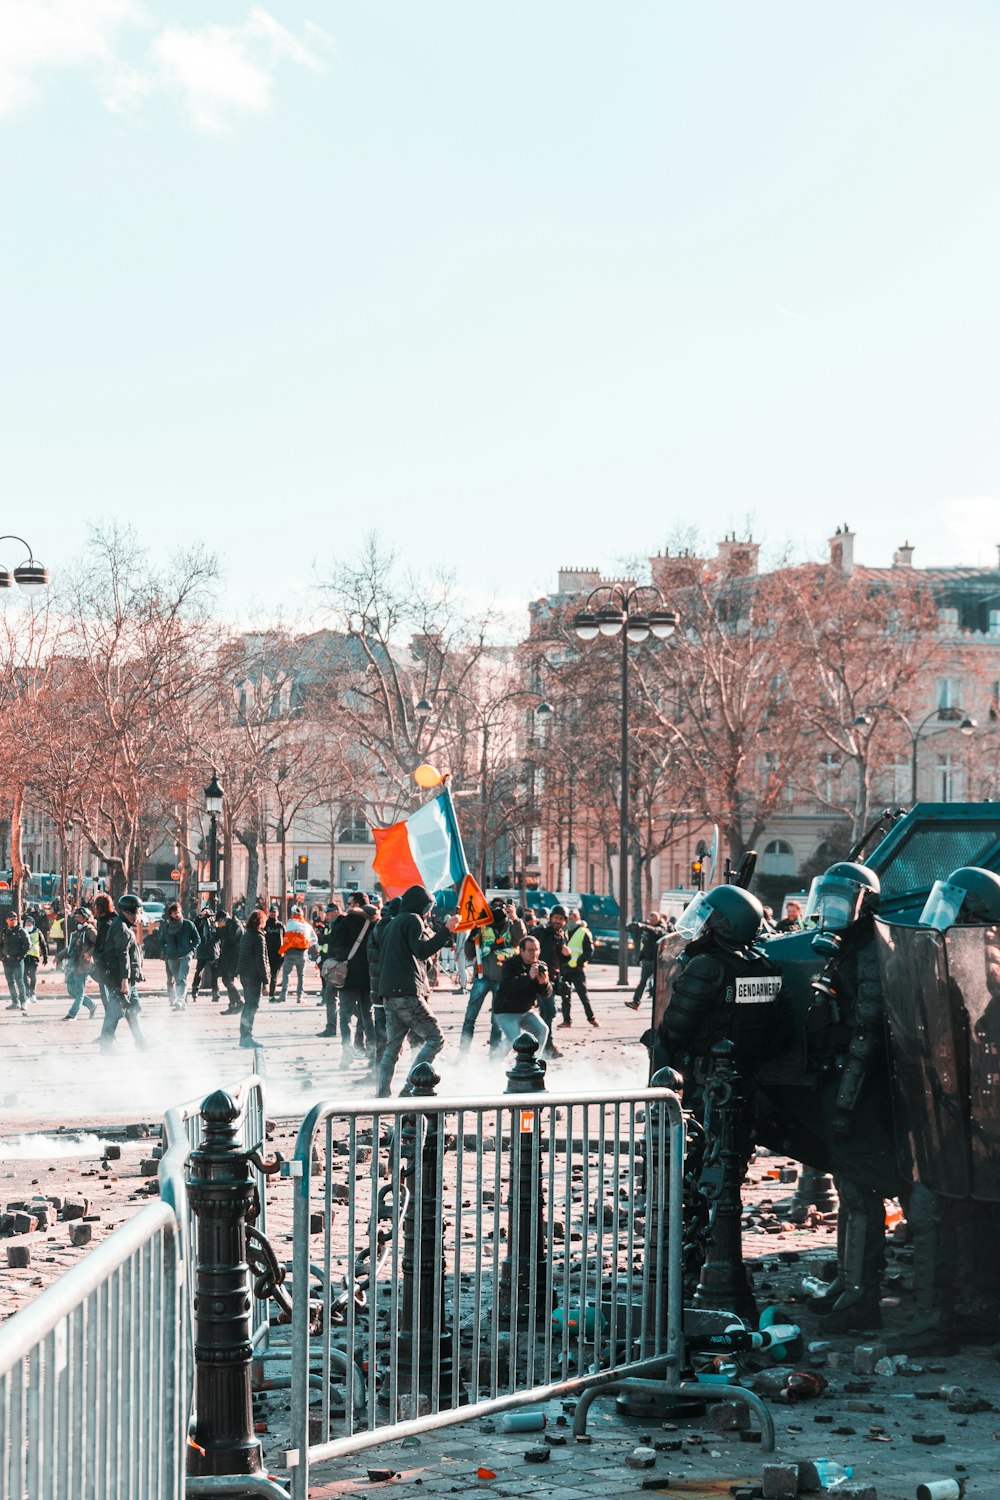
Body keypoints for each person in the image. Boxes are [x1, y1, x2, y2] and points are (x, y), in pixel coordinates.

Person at [376, 885, 458, 1096]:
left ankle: (382, 1095)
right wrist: (446, 930)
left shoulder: (393, 923)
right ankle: (410, 1088)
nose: (428, 912)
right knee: (436, 1038)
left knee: (392, 1049)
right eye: (428, 907)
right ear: (421, 906)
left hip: (389, 992)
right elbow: (422, 951)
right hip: (406, 992)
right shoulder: (413, 920)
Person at [461, 901, 524, 1052]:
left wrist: (515, 918)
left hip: (503, 979)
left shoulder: (511, 925)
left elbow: (521, 939)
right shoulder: (482, 927)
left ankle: (493, 1056)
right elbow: (469, 954)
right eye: (493, 906)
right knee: (470, 1017)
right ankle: (463, 1053)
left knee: (497, 1021)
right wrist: (471, 937)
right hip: (482, 977)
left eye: (500, 906)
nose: (497, 909)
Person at [94, 893, 148, 1052]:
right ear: (129, 911)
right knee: (115, 1012)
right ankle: (106, 1045)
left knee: (134, 1008)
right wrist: (124, 982)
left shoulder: (121, 925)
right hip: (119, 978)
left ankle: (141, 1042)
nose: (139, 915)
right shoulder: (121, 928)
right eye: (138, 911)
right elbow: (122, 955)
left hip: (126, 979)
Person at [328, 893, 377, 1061]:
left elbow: (334, 946)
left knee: (345, 1014)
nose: (347, 905)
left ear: (355, 904)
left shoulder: (346, 921)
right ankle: (372, 1051)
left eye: (348, 903)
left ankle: (347, 1049)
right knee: (367, 1014)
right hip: (368, 976)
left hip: (347, 975)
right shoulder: (374, 922)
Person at [492, 934, 552, 1055]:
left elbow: (546, 994)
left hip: (526, 1010)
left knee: (542, 1029)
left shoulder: (540, 966)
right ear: (522, 951)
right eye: (530, 950)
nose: (534, 953)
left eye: (537, 950)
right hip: (506, 1011)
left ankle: (535, 1061)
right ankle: (494, 1061)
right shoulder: (510, 964)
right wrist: (528, 976)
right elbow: (509, 986)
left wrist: (544, 983)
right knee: (515, 1040)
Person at [365, 896, 400, 1064]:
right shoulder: (399, 929)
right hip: (397, 988)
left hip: (377, 985)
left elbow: (371, 956)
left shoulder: (377, 929)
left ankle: (378, 1067)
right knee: (399, 1030)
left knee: (381, 1028)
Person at [558, 907, 597, 1027]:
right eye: (569, 917)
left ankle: (591, 1018)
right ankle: (566, 1021)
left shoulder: (584, 932)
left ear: (578, 918)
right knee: (565, 996)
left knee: (583, 995)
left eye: (573, 917)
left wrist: (579, 962)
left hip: (577, 969)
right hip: (565, 968)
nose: (571, 919)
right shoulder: (562, 931)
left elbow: (589, 951)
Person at [160, 901, 201, 1011]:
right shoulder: (167, 927)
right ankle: (182, 1003)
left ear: (181, 912)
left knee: (182, 979)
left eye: (178, 912)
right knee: (177, 980)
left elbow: (197, 939)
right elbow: (161, 941)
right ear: (171, 914)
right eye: (174, 913)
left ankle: (180, 1001)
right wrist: (166, 950)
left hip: (185, 956)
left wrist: (191, 950)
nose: (177, 915)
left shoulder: (188, 924)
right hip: (172, 957)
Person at [237, 909, 270, 1049]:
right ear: (261, 922)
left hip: (244, 974)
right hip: (253, 975)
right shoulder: (258, 937)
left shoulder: (246, 935)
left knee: (248, 1005)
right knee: (251, 1006)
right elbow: (261, 961)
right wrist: (266, 981)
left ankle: (244, 1035)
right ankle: (246, 1036)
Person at [62, 907, 98, 1019]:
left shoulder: (90, 930)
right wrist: (59, 956)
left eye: (79, 917)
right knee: (71, 990)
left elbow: (99, 945)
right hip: (73, 964)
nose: (77, 919)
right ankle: (92, 1005)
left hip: (83, 965)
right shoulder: (79, 931)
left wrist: (90, 953)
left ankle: (71, 1014)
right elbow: (71, 947)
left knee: (79, 992)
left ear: (85, 917)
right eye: (76, 917)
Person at [626, 911, 665, 1010]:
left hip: (657, 961)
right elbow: (646, 946)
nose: (651, 922)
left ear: (658, 919)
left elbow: (657, 931)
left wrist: (643, 926)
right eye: (650, 920)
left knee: (658, 985)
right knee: (642, 982)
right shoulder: (648, 928)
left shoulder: (663, 927)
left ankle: (660, 1005)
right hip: (647, 960)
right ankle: (636, 1002)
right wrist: (640, 958)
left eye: (653, 920)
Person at [278, 906, 317, 1003]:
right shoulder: (307, 926)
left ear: (293, 914)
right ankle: (300, 997)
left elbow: (286, 937)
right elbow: (315, 939)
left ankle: (283, 995)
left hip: (290, 952)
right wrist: (307, 945)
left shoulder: (290, 923)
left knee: (286, 974)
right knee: (301, 976)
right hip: (302, 953)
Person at [214, 909, 245, 1014]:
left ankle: (238, 1001)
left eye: (220, 921)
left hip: (234, 957)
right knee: (226, 979)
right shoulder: (229, 925)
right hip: (228, 956)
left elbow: (232, 939)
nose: (220, 923)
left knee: (227, 979)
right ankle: (234, 1004)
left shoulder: (235, 924)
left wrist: (222, 928)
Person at [1, 911, 30, 1012]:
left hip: (17, 961)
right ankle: (15, 1002)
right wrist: (2, 957)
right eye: (11, 919)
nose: (13, 920)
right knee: (10, 982)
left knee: (20, 981)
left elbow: (27, 945)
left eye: (15, 918)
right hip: (7, 961)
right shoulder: (4, 932)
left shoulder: (21, 931)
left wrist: (20, 956)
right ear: (7, 920)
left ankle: (23, 1002)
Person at [191, 907, 221, 1002]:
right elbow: (194, 927)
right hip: (203, 950)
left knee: (214, 973)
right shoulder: (199, 922)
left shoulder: (214, 922)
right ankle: (194, 991)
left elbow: (219, 935)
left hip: (212, 950)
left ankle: (215, 993)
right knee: (198, 971)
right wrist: (200, 917)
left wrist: (215, 925)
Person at [21, 914, 48, 999]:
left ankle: (32, 992)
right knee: (24, 975)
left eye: (30, 923)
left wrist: (45, 957)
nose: (28, 924)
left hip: (34, 956)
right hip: (24, 956)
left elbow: (43, 944)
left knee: (33, 975)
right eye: (27, 922)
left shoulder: (38, 932)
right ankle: (27, 991)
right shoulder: (21, 931)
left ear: (33, 923)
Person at [264, 906, 285, 999]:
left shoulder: (280, 926)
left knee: (274, 976)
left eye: (275, 912)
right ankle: (263, 990)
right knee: (264, 974)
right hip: (266, 954)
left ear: (277, 913)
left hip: (278, 955)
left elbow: (285, 938)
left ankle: (272, 995)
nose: (273, 913)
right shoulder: (265, 925)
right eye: (272, 912)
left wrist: (284, 952)